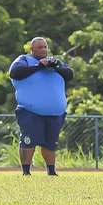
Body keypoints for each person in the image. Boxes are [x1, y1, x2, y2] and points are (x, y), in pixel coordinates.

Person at [8, 37, 73, 176]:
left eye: (45, 47)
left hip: (55, 113)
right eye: (39, 47)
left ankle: (51, 171)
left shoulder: (55, 62)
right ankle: (26, 171)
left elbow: (70, 74)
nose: (43, 50)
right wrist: (39, 66)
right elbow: (15, 73)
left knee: (51, 143)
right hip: (30, 111)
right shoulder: (24, 60)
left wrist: (56, 66)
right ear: (31, 49)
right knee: (28, 141)